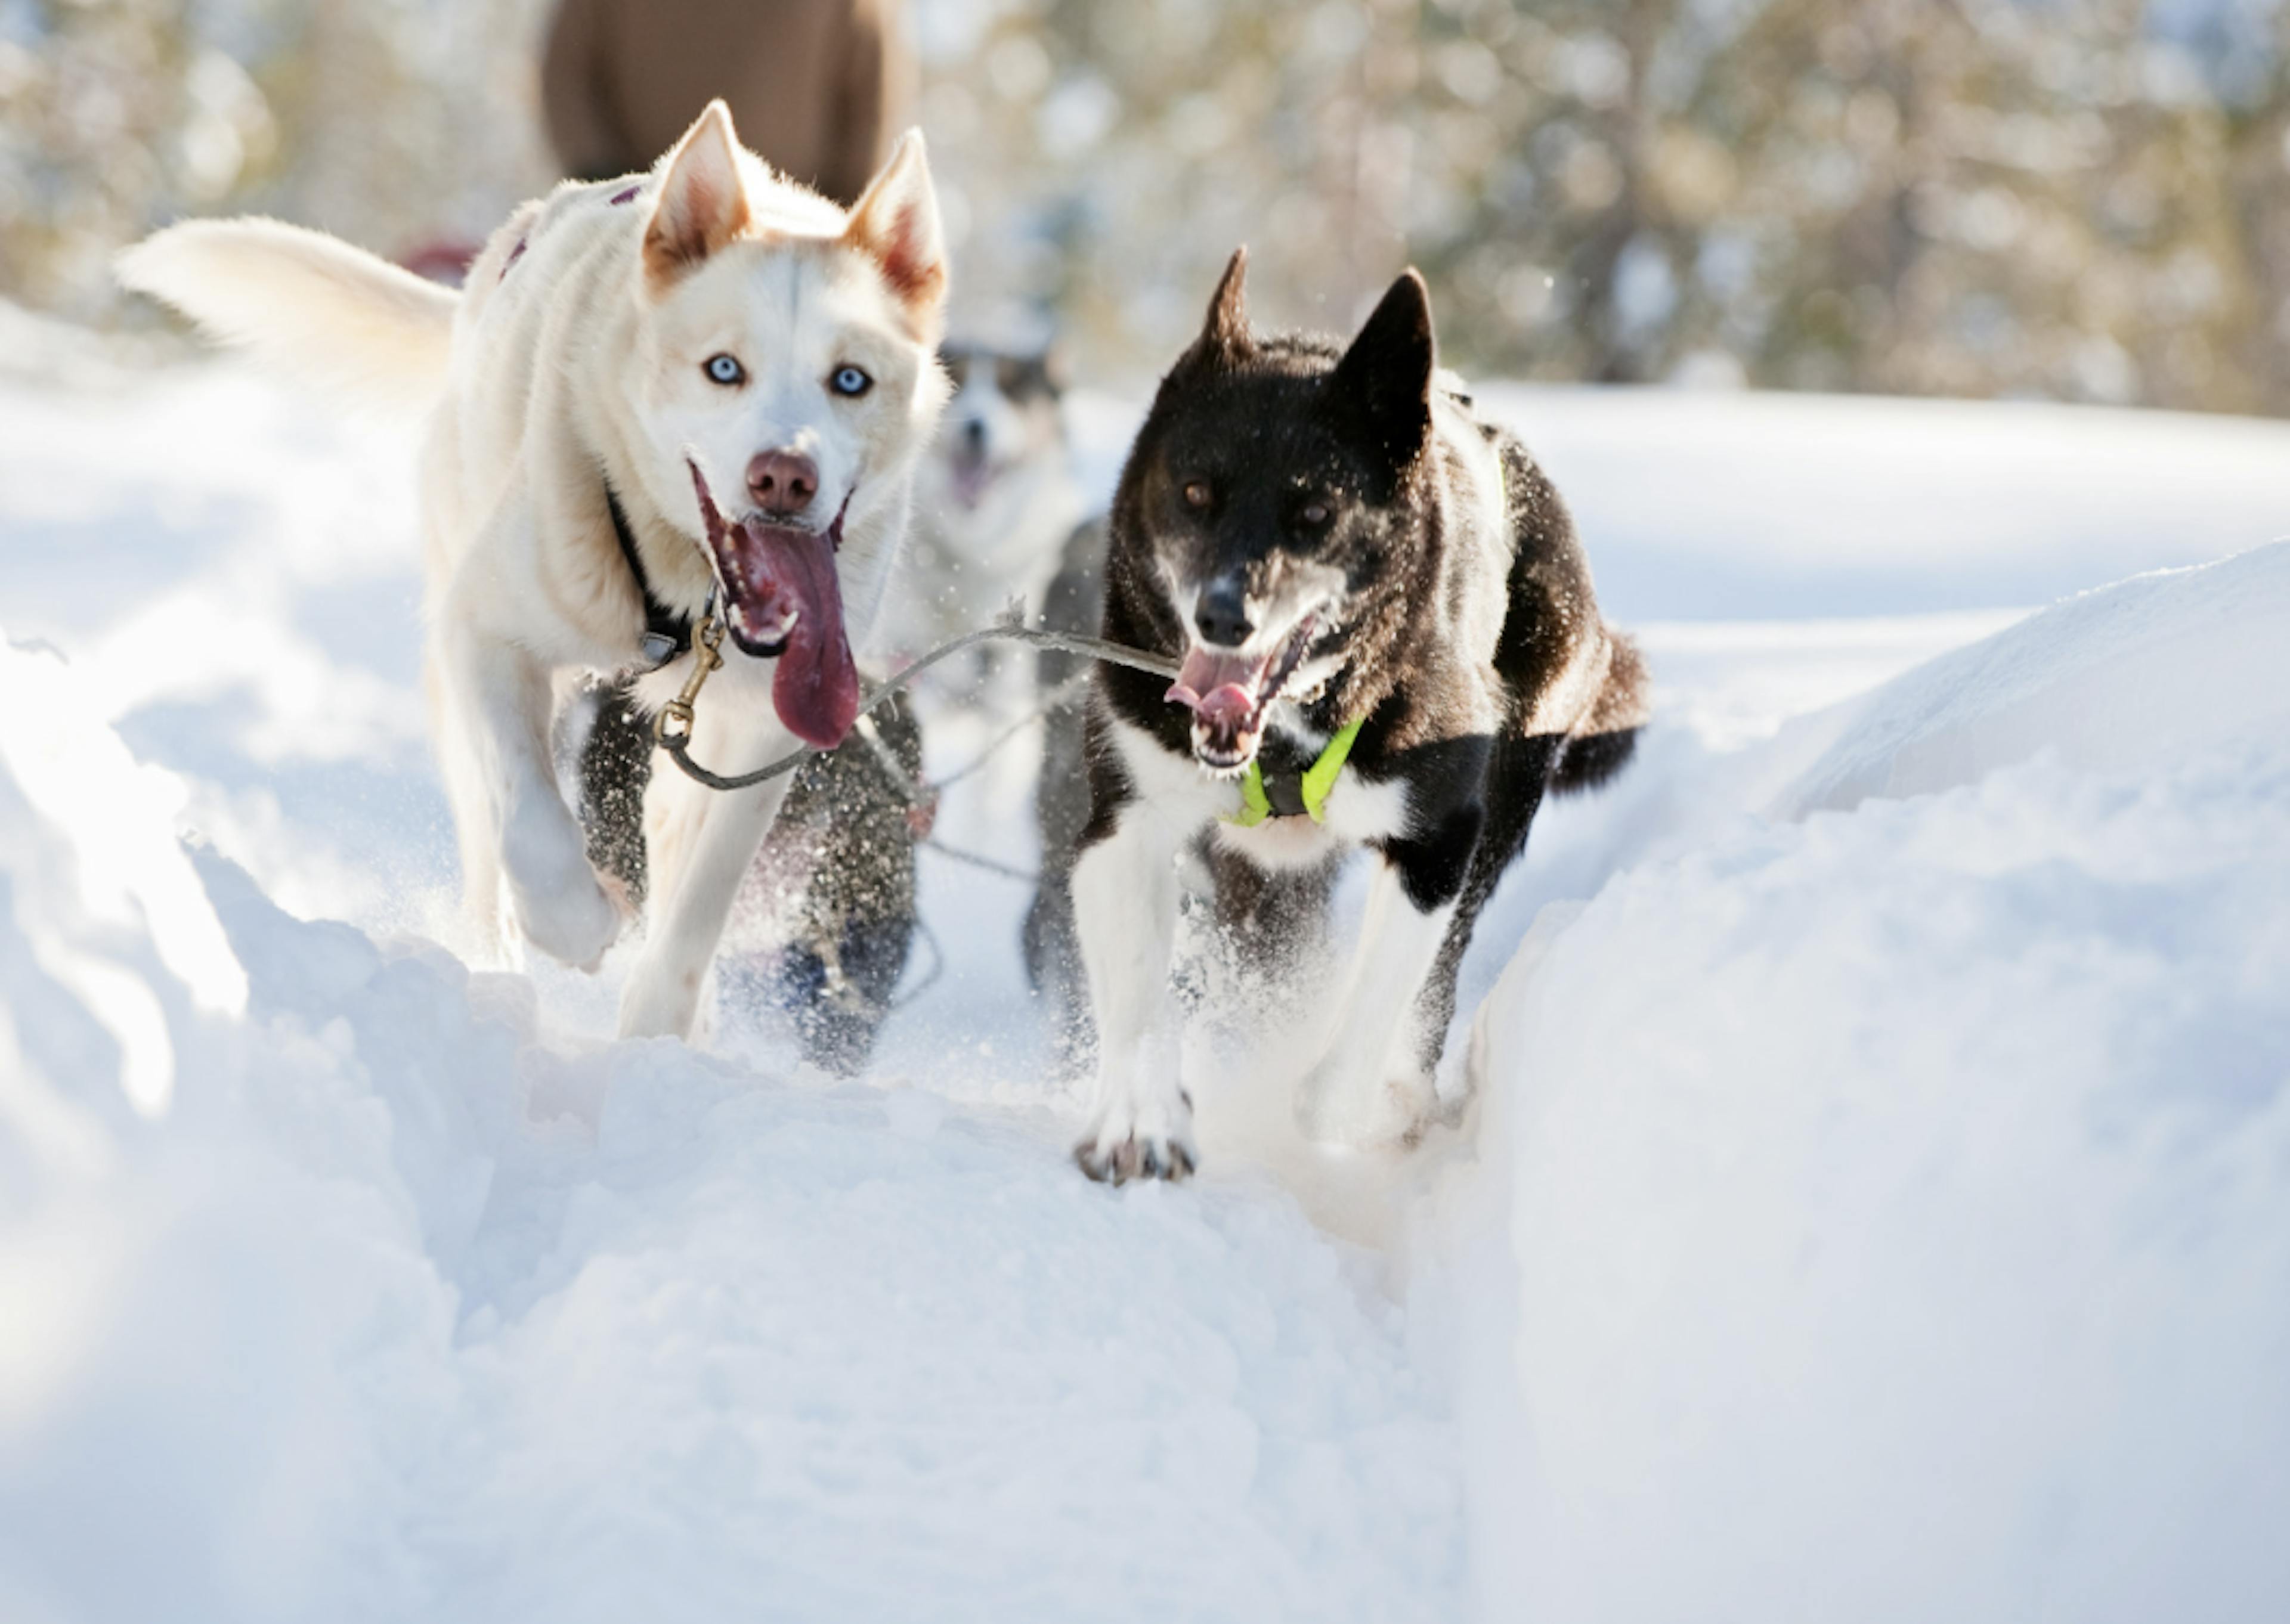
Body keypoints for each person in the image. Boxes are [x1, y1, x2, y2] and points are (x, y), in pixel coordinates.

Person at [540, 0, 912, 205]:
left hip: (790, 236)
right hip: (640, 222)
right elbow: (568, 69)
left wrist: (845, 214)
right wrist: (603, 178)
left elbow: (870, 97)